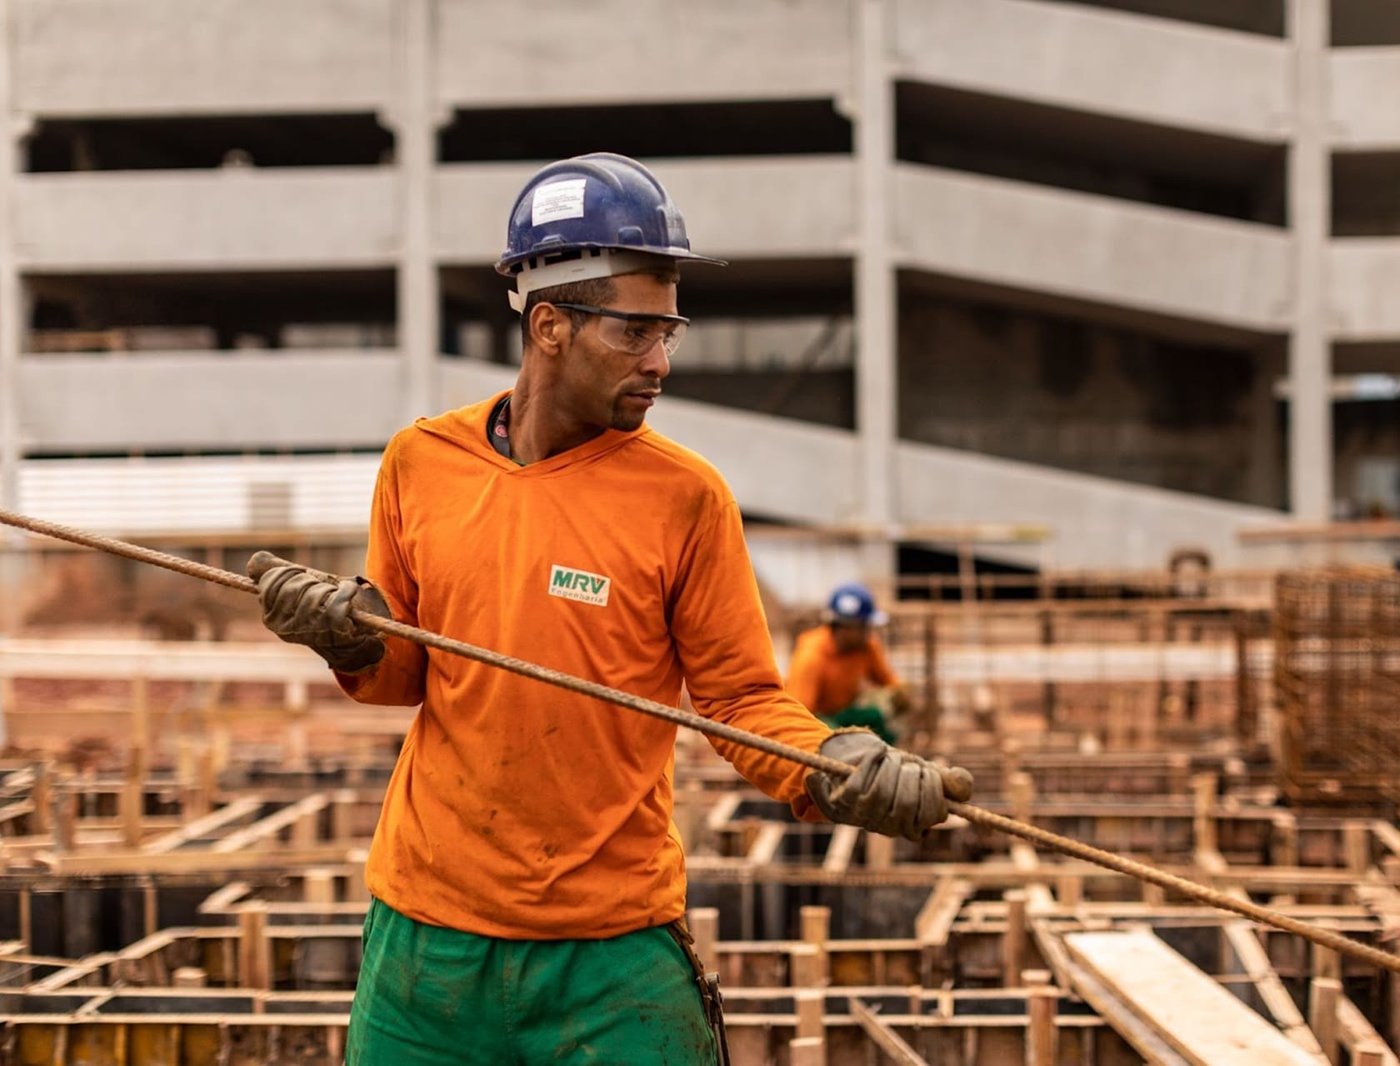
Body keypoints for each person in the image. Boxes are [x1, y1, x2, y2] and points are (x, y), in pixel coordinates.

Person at [244, 153, 972, 1065]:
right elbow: (402, 676)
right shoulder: (420, 463)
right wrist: (343, 642)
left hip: (611, 954)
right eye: (635, 333)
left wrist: (831, 762)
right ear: (549, 324)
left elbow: (740, 700)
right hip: (427, 946)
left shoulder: (685, 498)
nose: (662, 361)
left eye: (670, 332)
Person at [786, 582, 911, 743]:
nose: (868, 632)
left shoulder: (866, 647)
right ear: (844, 628)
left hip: (844, 712)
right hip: (818, 720)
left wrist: (899, 693)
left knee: (875, 718)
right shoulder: (811, 658)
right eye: (863, 627)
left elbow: (888, 681)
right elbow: (800, 716)